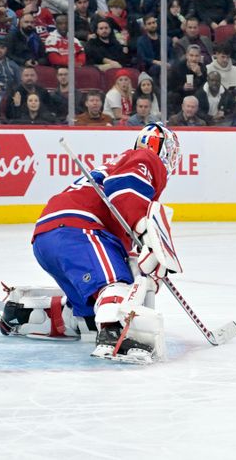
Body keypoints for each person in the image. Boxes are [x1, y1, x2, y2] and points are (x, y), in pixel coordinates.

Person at [29, 123, 181, 362]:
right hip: (78, 231)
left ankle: (32, 314)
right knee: (117, 285)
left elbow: (124, 233)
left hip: (49, 236)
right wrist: (145, 232)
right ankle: (115, 336)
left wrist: (144, 266)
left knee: (89, 313)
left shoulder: (119, 163)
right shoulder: (145, 158)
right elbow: (125, 186)